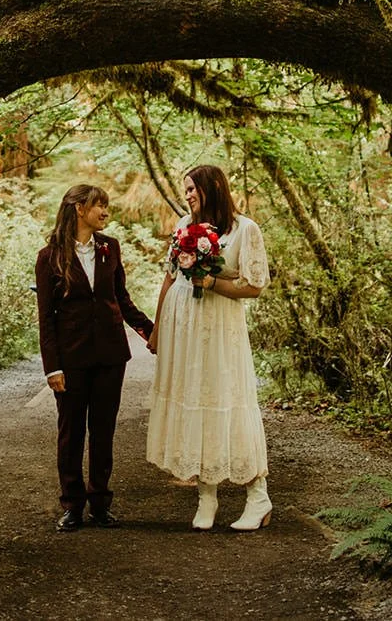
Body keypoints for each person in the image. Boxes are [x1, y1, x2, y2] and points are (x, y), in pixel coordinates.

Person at [145, 164, 273, 531]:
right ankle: (207, 497)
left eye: (191, 189)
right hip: (184, 327)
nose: (187, 196)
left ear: (211, 188)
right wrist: (157, 329)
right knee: (195, 402)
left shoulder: (245, 230)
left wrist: (212, 281)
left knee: (228, 400)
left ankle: (258, 496)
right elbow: (170, 277)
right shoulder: (184, 225)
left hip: (220, 328)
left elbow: (253, 286)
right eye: (184, 190)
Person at [35, 184, 154, 531]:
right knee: (70, 433)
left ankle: (100, 504)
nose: (105, 212)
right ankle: (72, 505)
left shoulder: (110, 248)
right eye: (98, 206)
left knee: (103, 431)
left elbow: (122, 298)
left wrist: (151, 332)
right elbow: (46, 318)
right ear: (77, 209)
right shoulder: (49, 256)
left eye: (106, 205)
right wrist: (52, 367)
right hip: (70, 359)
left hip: (110, 355)